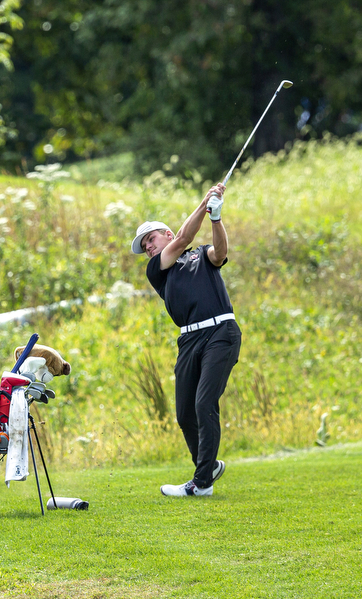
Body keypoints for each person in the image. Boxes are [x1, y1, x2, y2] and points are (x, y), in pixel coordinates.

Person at [131, 183, 241, 497]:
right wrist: (205, 202)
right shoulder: (158, 270)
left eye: (150, 240)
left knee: (204, 402)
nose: (148, 248)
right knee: (184, 413)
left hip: (221, 332)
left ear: (164, 233)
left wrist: (216, 218)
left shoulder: (200, 256)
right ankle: (206, 467)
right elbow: (184, 238)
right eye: (144, 246)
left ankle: (202, 483)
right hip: (189, 341)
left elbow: (220, 254)